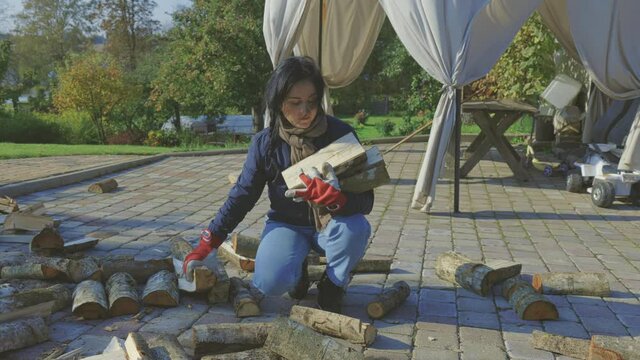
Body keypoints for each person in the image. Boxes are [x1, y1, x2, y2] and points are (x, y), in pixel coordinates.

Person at [183, 56, 373, 313]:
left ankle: (334, 284)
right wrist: (209, 241)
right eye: (295, 103)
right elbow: (243, 195)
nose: (305, 111)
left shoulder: (340, 135)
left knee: (357, 227)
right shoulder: (266, 143)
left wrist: (336, 199)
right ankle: (297, 273)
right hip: (287, 223)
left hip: (332, 225)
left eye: (312, 101)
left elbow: (366, 200)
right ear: (278, 102)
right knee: (269, 283)